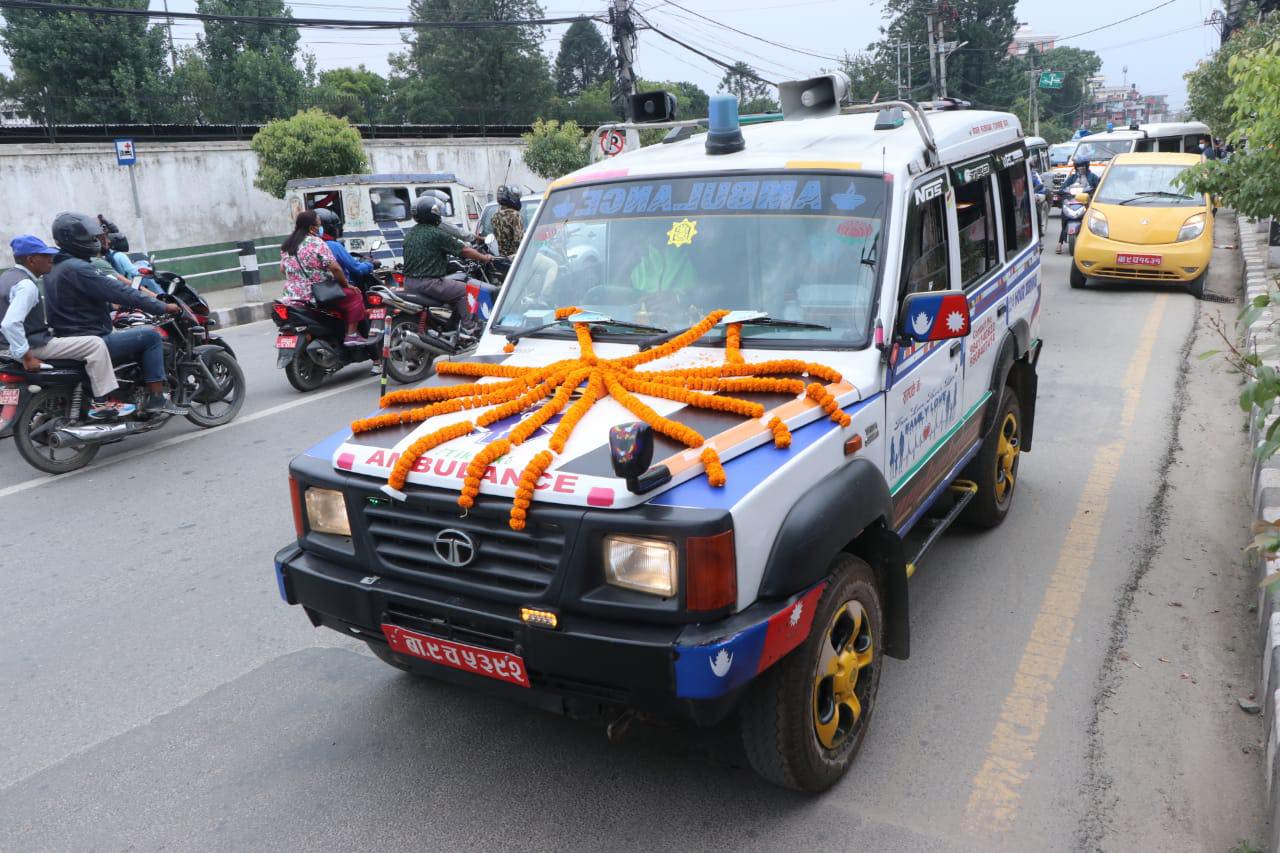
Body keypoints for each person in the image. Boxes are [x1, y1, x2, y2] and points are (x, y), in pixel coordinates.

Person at [42, 212, 187, 415]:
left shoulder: (54, 267)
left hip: (68, 336)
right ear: (73, 238)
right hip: (91, 336)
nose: (93, 240)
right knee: (151, 337)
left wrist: (112, 306)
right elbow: (121, 291)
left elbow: (80, 301)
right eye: (87, 236)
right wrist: (162, 306)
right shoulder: (79, 268)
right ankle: (157, 398)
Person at [0, 235, 135, 419]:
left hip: (6, 349)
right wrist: (26, 356)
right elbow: (10, 323)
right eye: (45, 255)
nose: (50, 259)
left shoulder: (6, 278)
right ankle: (102, 404)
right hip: (31, 346)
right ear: (31, 260)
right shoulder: (26, 286)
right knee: (95, 344)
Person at [279, 210, 377, 347]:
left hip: (291, 295)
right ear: (312, 228)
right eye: (318, 224)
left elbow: (283, 269)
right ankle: (352, 335)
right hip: (317, 293)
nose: (320, 228)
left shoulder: (287, 245)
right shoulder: (316, 242)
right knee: (355, 295)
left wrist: (298, 278)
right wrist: (346, 285)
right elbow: (335, 268)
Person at [401, 195, 496, 334]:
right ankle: (470, 328)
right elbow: (464, 250)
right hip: (429, 284)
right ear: (433, 213)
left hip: (409, 282)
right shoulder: (436, 234)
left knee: (452, 288)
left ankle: (450, 326)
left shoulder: (411, 233)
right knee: (467, 291)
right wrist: (484, 257)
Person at [314, 207, 375, 286]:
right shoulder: (332, 245)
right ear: (331, 229)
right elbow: (357, 269)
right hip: (336, 288)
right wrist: (370, 264)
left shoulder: (306, 245)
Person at [1057, 155, 1099, 255]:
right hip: (1072, 202)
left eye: (1083, 166)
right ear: (1076, 167)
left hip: (1087, 203)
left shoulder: (1093, 177)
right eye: (1079, 166)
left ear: (1087, 166)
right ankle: (1060, 242)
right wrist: (1062, 191)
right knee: (1065, 217)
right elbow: (1063, 187)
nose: (1081, 168)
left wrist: (1093, 192)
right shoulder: (1072, 177)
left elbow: (1099, 187)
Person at [491, 185, 524, 257]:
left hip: (501, 257)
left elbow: (496, 236)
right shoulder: (515, 215)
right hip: (514, 257)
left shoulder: (495, 216)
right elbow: (519, 239)